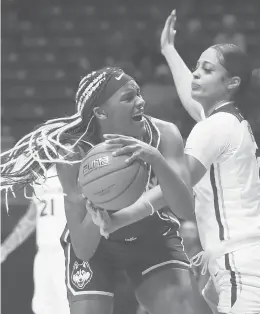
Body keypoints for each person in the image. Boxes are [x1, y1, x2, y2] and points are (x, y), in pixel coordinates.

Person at [93, 11, 260, 314]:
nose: (196, 74)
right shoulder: (229, 121)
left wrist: (123, 215)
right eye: (196, 67)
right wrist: (169, 50)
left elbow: (178, 187)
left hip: (241, 264)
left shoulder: (213, 128)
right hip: (237, 257)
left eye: (207, 70)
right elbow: (191, 97)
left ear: (232, 82)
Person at [1, 67, 194, 314]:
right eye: (128, 97)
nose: (141, 102)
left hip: (150, 233)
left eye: (138, 93)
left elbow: (186, 209)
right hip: (97, 245)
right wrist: (104, 199)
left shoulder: (164, 134)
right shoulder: (73, 153)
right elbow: (83, 248)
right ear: (100, 112)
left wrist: (156, 159)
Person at [1, 167, 70, 314]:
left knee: (67, 305)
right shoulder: (40, 179)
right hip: (43, 253)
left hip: (65, 252)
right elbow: (30, 220)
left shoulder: (73, 172)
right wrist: (5, 248)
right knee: (42, 306)